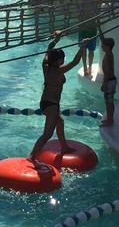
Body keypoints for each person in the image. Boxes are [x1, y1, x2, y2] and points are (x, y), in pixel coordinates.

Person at [27, 36, 82, 166]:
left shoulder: (45, 66)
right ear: (58, 60)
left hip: (47, 102)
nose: (64, 60)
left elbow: (49, 49)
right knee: (47, 134)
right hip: (51, 105)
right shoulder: (58, 71)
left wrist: (56, 39)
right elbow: (75, 61)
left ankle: (64, 146)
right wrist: (83, 47)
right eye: (62, 58)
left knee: (60, 121)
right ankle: (31, 156)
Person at [99, 37, 117, 128]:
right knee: (109, 101)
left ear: (108, 46)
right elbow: (104, 41)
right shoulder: (109, 53)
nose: (101, 46)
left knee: (109, 102)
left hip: (109, 81)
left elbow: (108, 71)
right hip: (111, 80)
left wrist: (104, 83)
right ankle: (110, 119)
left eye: (103, 45)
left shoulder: (108, 56)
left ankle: (110, 121)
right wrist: (99, 28)